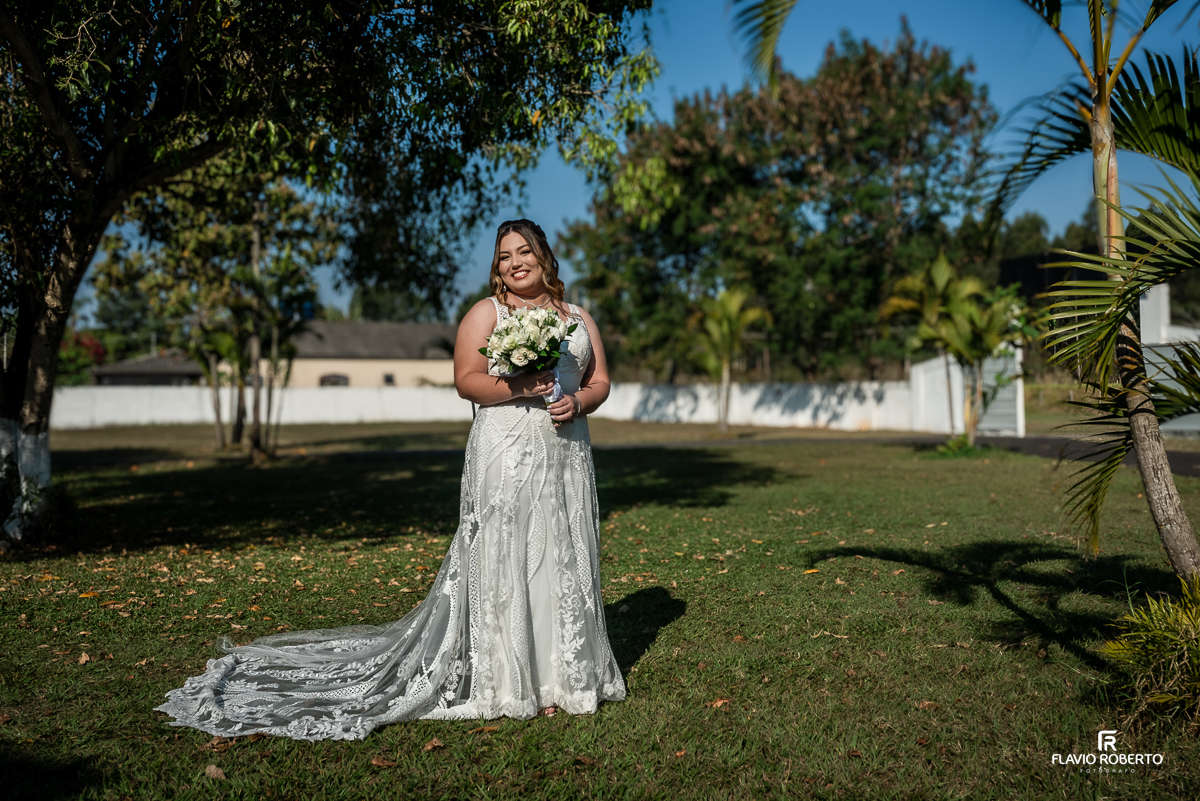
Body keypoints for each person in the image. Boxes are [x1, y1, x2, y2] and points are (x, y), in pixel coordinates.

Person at [155, 219, 625, 741]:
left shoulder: (579, 318)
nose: (514, 263)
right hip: (507, 449)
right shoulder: (486, 314)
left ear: (544, 256)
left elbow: (599, 379)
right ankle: (512, 681)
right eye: (504, 256)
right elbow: (467, 382)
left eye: (523, 252)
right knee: (508, 551)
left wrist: (578, 401)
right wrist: (521, 385)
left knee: (561, 549)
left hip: (566, 451)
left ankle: (566, 677)